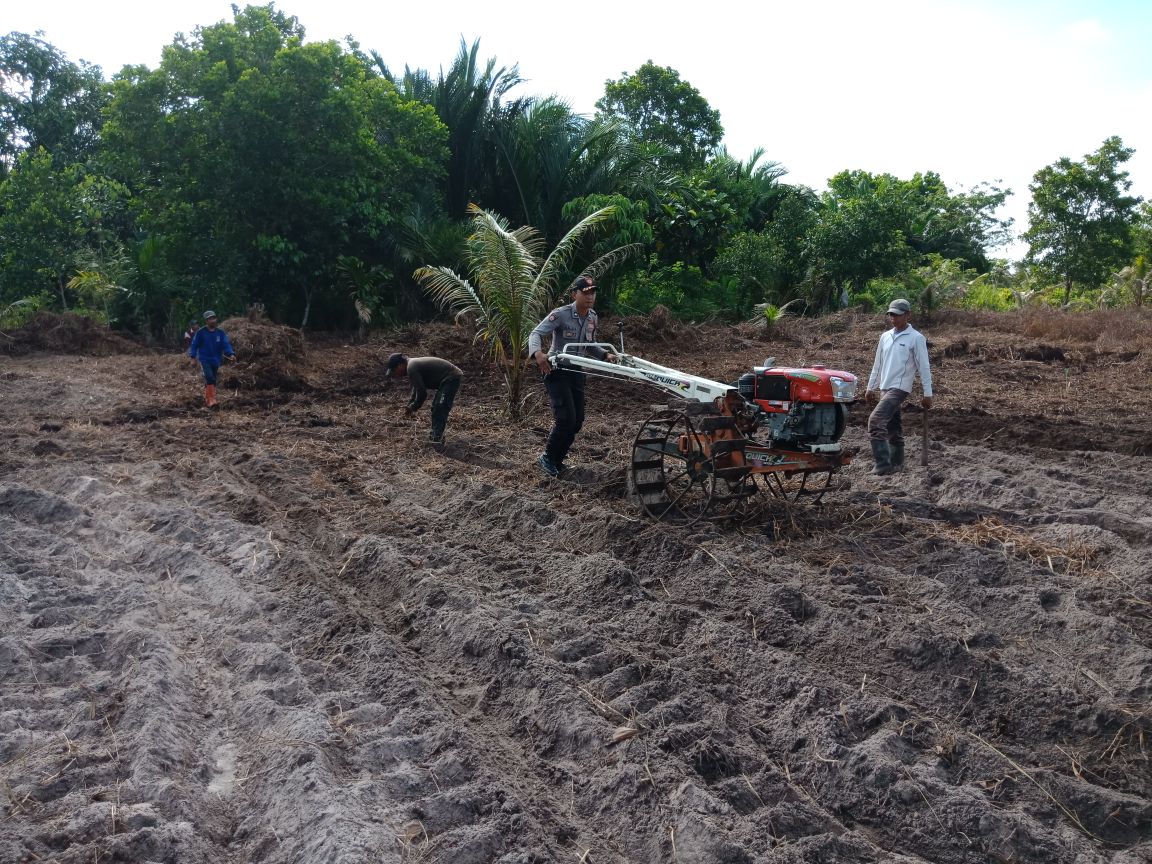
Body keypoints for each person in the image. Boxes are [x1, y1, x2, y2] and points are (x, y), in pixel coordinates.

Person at [528, 275, 616, 478]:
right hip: (557, 371)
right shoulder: (561, 314)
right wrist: (538, 354)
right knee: (565, 419)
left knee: (577, 421)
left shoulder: (592, 317)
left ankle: (557, 460)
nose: (590, 296)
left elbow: (589, 345)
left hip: (577, 372)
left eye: (592, 293)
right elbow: (535, 333)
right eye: (585, 293)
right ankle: (547, 458)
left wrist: (605, 355)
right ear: (574, 294)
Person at [864, 298, 933, 475]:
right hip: (885, 386)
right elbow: (878, 364)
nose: (893, 318)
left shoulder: (916, 338)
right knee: (892, 427)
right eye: (891, 315)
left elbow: (924, 366)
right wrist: (871, 387)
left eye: (897, 315)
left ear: (908, 315)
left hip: (900, 388)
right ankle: (897, 463)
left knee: (875, 421)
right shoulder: (885, 337)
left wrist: (928, 393)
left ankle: (882, 464)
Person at [386, 353, 463, 445]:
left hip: (451, 377)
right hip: (447, 379)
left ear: (400, 365)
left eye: (395, 370)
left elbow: (422, 393)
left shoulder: (411, 367)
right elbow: (416, 389)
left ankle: (437, 438)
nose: (396, 374)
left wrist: (413, 407)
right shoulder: (412, 365)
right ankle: (435, 435)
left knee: (440, 407)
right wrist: (409, 405)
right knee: (436, 407)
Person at [187, 310, 236, 409]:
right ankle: (212, 401)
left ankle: (208, 398)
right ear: (206, 321)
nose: (212, 320)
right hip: (205, 359)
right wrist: (193, 357)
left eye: (213, 318)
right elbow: (194, 345)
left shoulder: (220, 333)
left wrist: (231, 354)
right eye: (210, 319)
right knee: (210, 377)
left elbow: (226, 344)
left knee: (212, 379)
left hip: (216, 360)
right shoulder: (201, 333)